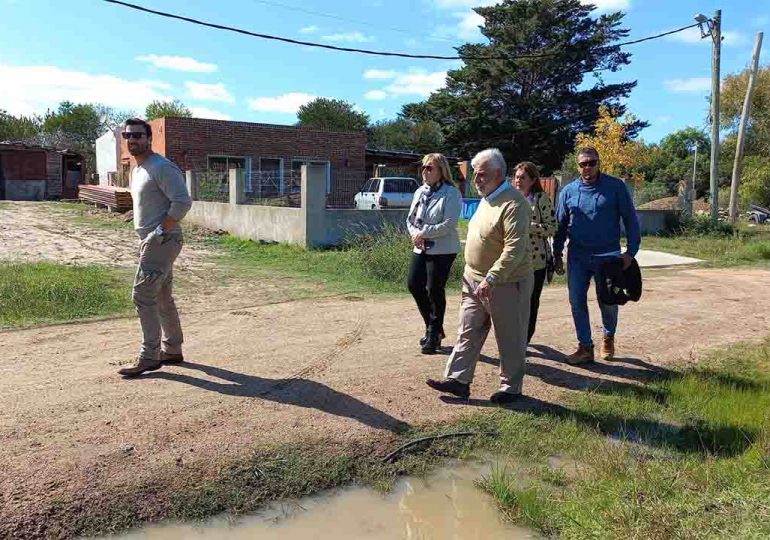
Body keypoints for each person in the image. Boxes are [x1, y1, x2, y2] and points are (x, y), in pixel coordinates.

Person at [426, 148, 533, 404]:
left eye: (482, 174)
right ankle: (458, 381)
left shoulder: (514, 203)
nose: (477, 180)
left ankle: (511, 387)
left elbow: (514, 248)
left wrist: (492, 278)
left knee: (509, 336)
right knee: (467, 329)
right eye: (475, 174)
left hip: (506, 282)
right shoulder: (487, 199)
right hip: (473, 278)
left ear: (498, 174)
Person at [118, 118, 193, 377]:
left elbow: (182, 203)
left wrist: (157, 233)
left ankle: (149, 356)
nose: (132, 140)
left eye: (137, 135)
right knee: (161, 296)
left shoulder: (161, 167)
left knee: (141, 296)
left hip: (163, 239)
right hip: (151, 240)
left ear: (149, 138)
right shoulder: (137, 170)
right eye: (127, 136)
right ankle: (172, 349)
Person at [552, 146, 641, 365]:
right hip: (577, 257)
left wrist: (631, 251)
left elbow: (630, 219)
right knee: (576, 301)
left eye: (592, 162)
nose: (588, 167)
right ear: (578, 166)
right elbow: (560, 226)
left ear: (598, 162)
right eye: (583, 164)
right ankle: (585, 347)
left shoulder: (615, 187)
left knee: (607, 301)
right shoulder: (568, 191)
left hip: (608, 257)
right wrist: (556, 253)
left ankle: (608, 337)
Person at [406, 153, 462, 354]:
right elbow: (410, 219)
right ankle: (434, 328)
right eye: (423, 167)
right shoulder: (420, 191)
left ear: (441, 171)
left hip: (443, 248)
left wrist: (423, 233)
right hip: (420, 246)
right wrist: (415, 234)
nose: (424, 171)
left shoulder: (451, 193)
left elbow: (449, 224)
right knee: (414, 284)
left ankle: (433, 334)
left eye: (430, 168)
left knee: (434, 289)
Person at [513, 161, 557, 344]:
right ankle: (513, 338)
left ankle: (524, 340)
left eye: (523, 177)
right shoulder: (511, 198)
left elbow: (552, 227)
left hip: (535, 262)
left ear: (532, 180)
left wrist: (529, 227)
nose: (518, 181)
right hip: (513, 260)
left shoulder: (541, 199)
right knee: (513, 303)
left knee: (530, 303)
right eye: (516, 177)